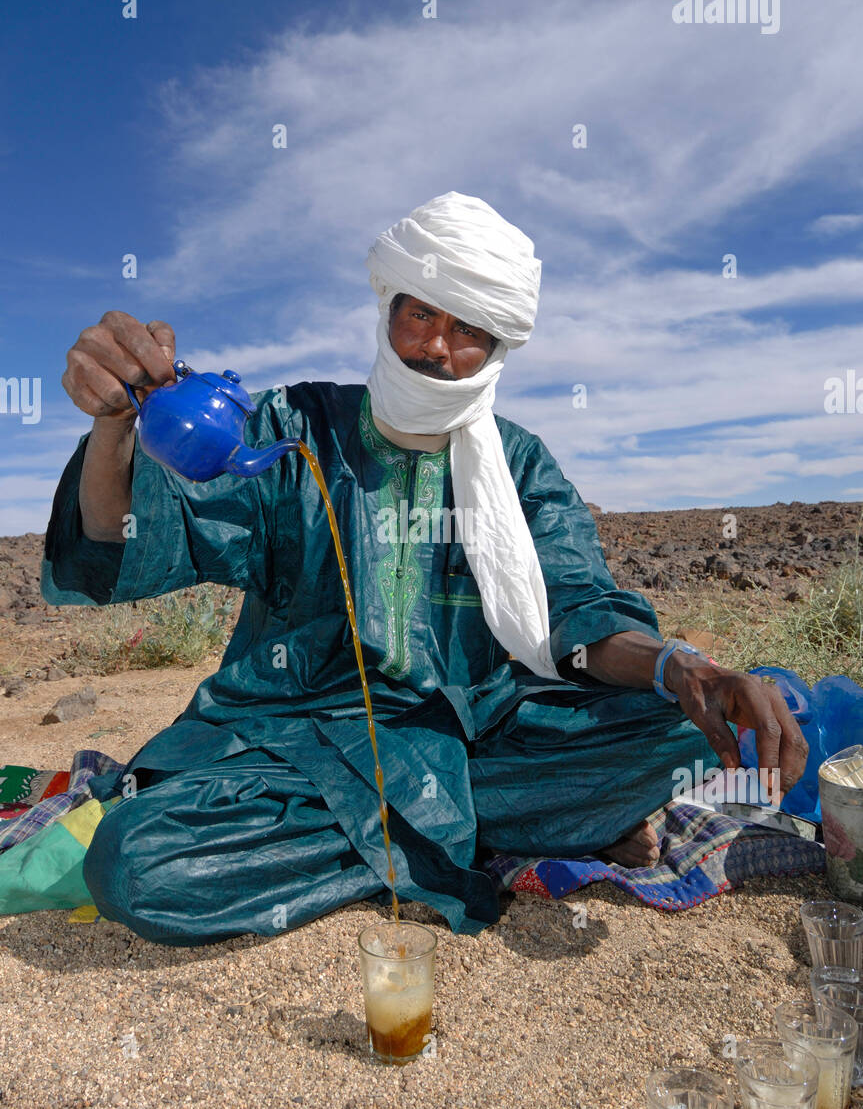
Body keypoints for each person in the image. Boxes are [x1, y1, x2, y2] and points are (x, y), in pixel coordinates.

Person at [43, 191, 808, 944]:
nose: (436, 348)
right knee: (137, 865)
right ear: (388, 310)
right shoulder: (291, 426)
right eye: (421, 314)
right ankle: (499, 828)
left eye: (467, 328)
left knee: (719, 713)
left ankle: (441, 825)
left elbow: (578, 613)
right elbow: (121, 533)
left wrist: (679, 666)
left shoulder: (518, 462)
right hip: (297, 738)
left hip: (476, 727)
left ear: (498, 345)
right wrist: (115, 428)